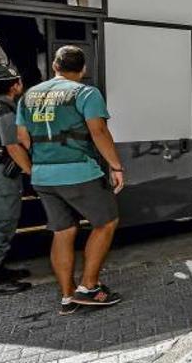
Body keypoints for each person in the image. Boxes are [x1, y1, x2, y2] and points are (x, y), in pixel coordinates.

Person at [16, 46, 125, 315]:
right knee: (106, 222)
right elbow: (98, 131)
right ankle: (89, 287)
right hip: (78, 173)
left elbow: (23, 138)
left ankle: (67, 296)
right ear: (83, 69)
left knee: (62, 232)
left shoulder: (29, 95)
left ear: (55, 66)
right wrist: (115, 166)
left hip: (42, 174)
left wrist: (41, 159)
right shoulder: (86, 93)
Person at [0, 66, 33, 297]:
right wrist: (30, 170)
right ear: (14, 86)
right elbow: (12, 146)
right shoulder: (4, 110)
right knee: (0, 222)